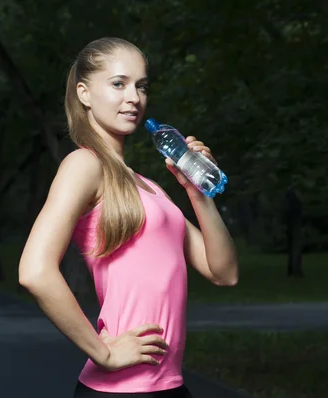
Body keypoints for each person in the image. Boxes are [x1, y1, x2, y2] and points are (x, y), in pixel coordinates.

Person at [18, 37, 239, 398]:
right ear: (85, 93)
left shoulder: (150, 188)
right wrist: (102, 352)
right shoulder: (84, 165)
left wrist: (199, 193)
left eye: (141, 86)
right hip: (118, 391)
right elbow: (34, 271)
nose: (134, 97)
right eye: (119, 84)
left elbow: (224, 272)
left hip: (168, 384)